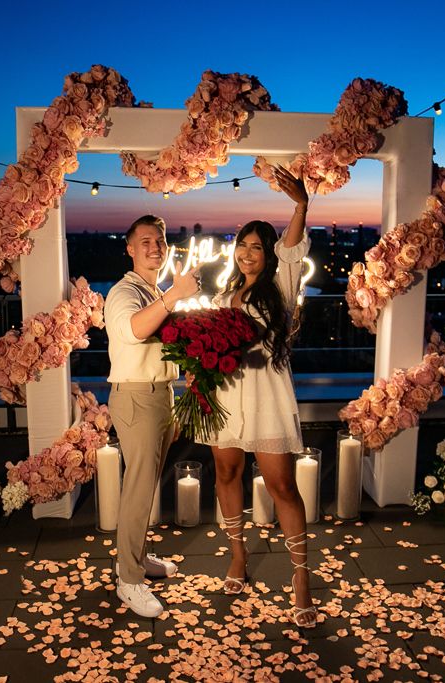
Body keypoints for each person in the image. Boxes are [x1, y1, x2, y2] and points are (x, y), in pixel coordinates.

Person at [199, 166, 317, 628]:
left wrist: (301, 205)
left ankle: (301, 577)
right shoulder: (229, 290)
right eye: (242, 245)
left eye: (256, 247)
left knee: (282, 486)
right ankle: (238, 557)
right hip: (226, 394)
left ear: (268, 254)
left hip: (265, 395)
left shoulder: (282, 287)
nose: (247, 253)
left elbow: (292, 247)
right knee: (226, 472)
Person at [105, 214, 200, 618]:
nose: (154, 247)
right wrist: (175, 295)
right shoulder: (124, 292)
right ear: (130, 249)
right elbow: (133, 330)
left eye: (159, 240)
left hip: (161, 395)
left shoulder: (153, 290)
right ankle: (128, 580)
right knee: (138, 489)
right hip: (136, 398)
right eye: (145, 241)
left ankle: (137, 558)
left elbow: (164, 342)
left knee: (146, 485)